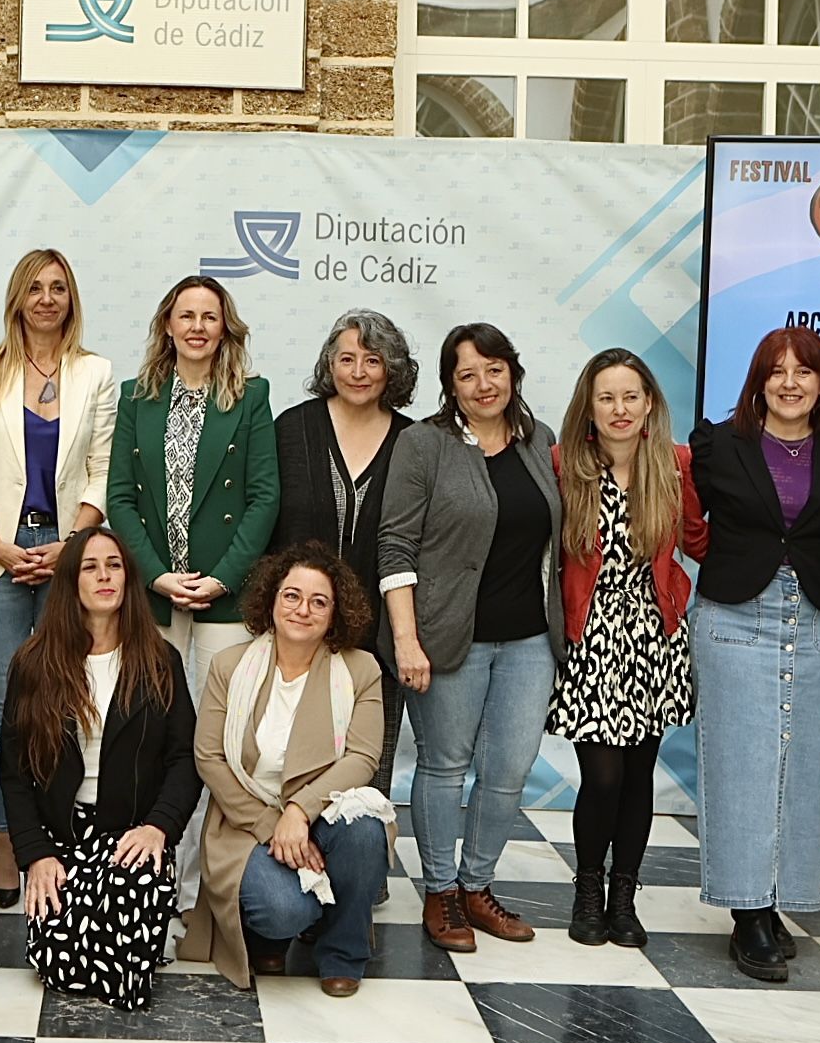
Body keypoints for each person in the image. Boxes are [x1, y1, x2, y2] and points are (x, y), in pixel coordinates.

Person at [380, 323, 560, 953]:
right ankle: (440, 891)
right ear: (449, 385)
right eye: (467, 374)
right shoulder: (424, 444)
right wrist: (406, 639)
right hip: (446, 638)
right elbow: (395, 542)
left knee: (509, 770)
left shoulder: (541, 442)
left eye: (494, 369)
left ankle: (477, 886)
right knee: (444, 766)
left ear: (513, 372)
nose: (484, 385)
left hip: (529, 640)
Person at [0, 249, 117, 909]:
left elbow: (104, 466)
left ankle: (60, 836)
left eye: (58, 288)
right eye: (35, 287)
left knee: (64, 698)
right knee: (1, 706)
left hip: (68, 553)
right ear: (16, 297)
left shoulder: (95, 372)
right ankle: (7, 841)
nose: (46, 298)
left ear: (70, 299)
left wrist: (70, 545)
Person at [688, 327, 820, 981]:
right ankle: (746, 913)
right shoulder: (717, 445)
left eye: (803, 372)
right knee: (742, 767)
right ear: (757, 381)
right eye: (775, 371)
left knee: (802, 770)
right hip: (734, 618)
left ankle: (780, 900)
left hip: (815, 619)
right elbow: (679, 515)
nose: (789, 382)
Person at [178, 542, 391, 996]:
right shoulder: (230, 666)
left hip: (324, 815)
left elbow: (363, 757)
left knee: (367, 832)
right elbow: (209, 757)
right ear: (272, 600)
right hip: (244, 822)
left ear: (335, 613)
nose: (303, 610)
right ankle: (270, 935)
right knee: (286, 909)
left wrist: (299, 811)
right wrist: (272, 824)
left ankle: (342, 955)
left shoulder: (360, 670)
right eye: (292, 596)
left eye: (319, 601)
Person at [1, 526, 198, 1011]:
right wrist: (35, 855)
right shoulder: (33, 664)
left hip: (131, 833)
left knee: (126, 970)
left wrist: (158, 828)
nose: (104, 576)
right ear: (70, 582)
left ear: (129, 580)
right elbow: (13, 772)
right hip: (60, 838)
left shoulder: (159, 660)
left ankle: (139, 923)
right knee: (61, 966)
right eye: (90, 567)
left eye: (114, 565)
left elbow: (184, 759)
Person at [549, 349, 707, 950]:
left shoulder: (675, 465)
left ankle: (624, 896)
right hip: (592, 638)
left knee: (639, 773)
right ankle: (587, 890)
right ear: (589, 407)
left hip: (654, 639)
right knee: (604, 776)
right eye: (607, 397)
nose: (620, 409)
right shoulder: (565, 465)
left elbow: (697, 539)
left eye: (630, 397)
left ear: (649, 405)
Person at [105, 274, 280, 696]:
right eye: (186, 316)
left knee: (220, 719)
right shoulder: (135, 397)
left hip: (224, 595)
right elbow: (121, 498)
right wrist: (155, 575)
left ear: (224, 329)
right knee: (151, 715)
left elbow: (264, 497)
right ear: (168, 325)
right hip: (156, 594)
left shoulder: (251, 396)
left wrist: (222, 579)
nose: (197, 327)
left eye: (209, 317)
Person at [271, 310, 416, 793]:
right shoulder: (292, 428)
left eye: (372, 360)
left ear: (391, 369)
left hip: (376, 643)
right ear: (328, 365)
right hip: (295, 636)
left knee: (366, 779)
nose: (357, 372)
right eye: (346, 358)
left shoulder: (413, 442)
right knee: (287, 769)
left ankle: (357, 866)